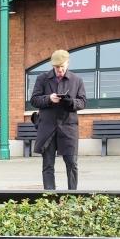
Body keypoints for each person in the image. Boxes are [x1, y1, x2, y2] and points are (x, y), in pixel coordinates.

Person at [30, 49, 87, 190]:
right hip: (47, 128)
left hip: (68, 128)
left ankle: (72, 196)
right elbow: (34, 100)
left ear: (68, 64)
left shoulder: (76, 80)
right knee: (48, 165)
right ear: (52, 66)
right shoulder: (42, 79)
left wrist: (70, 102)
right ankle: (50, 197)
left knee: (72, 163)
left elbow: (83, 102)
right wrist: (49, 98)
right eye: (56, 68)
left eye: (62, 67)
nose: (59, 70)